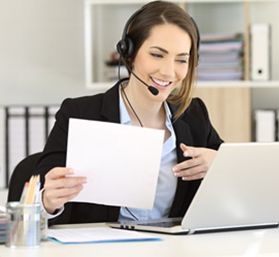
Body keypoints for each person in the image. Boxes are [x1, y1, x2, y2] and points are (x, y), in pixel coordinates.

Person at [37, 1, 223, 225]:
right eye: (157, 55)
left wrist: (218, 164)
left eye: (181, 59)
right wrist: (48, 201)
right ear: (129, 54)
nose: (168, 71)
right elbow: (37, 203)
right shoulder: (79, 113)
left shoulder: (193, 115)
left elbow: (236, 191)